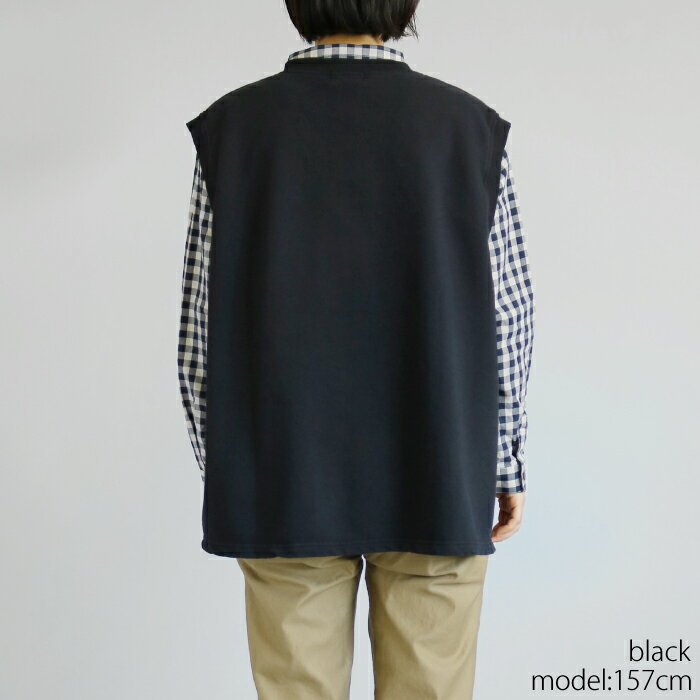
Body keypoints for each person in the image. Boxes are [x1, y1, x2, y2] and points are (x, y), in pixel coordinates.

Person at [178, 1, 535, 697]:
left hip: (284, 473)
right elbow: (508, 316)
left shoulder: (235, 129)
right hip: (437, 465)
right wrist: (504, 461)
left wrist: (230, 464)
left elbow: (200, 328)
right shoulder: (468, 129)